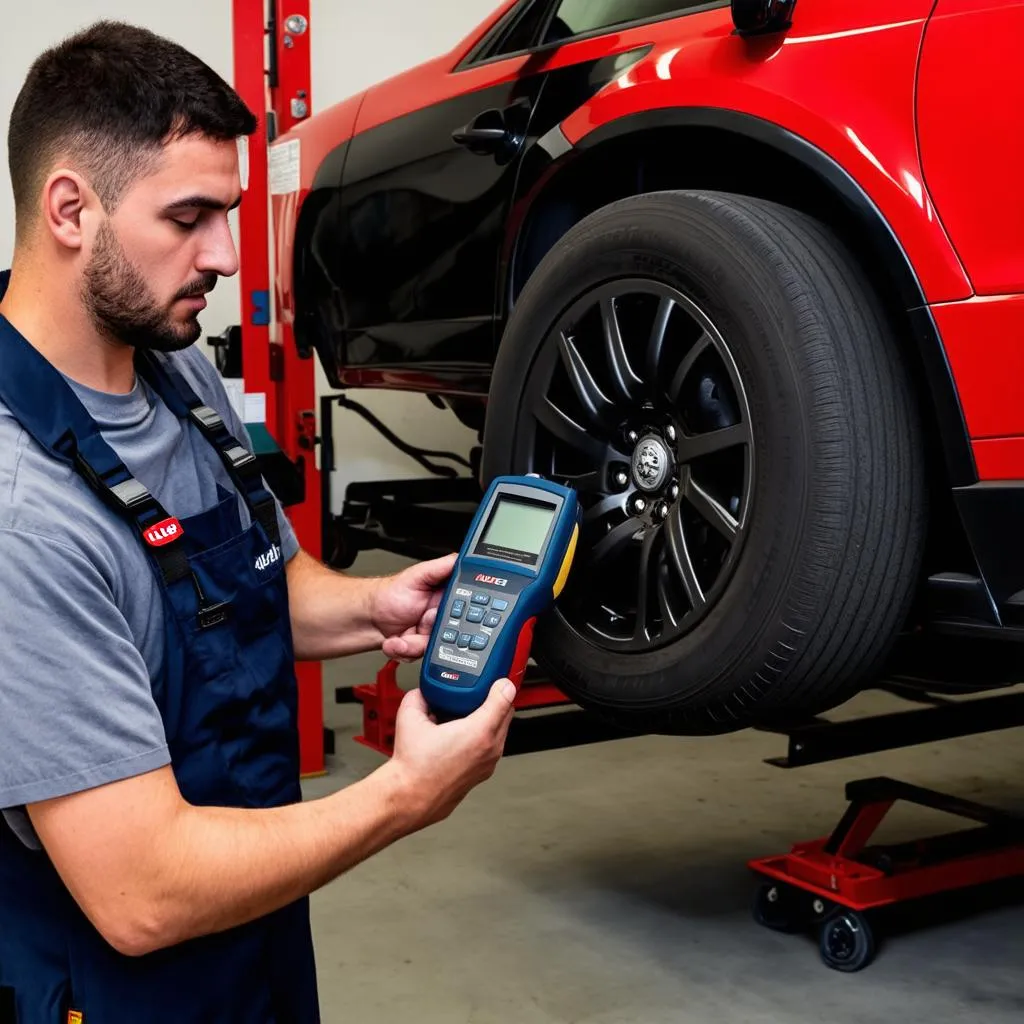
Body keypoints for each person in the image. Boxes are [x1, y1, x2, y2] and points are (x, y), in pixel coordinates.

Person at [0, 20, 515, 1024]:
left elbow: (244, 581)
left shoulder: (174, 366)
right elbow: (142, 893)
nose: (226, 257)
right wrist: (402, 795)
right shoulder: (22, 519)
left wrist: (374, 607)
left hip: (254, 932)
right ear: (70, 209)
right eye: (188, 216)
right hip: (117, 986)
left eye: (228, 213)